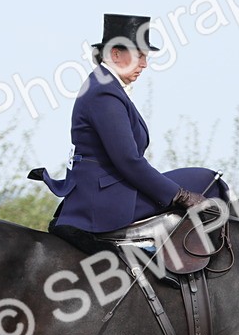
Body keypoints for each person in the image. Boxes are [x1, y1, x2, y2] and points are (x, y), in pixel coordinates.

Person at [29, 13, 227, 246]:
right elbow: (128, 160)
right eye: (139, 56)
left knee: (206, 179)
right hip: (104, 198)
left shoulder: (105, 85)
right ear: (115, 54)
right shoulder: (104, 93)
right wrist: (180, 195)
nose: (144, 64)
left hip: (110, 186)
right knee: (208, 181)